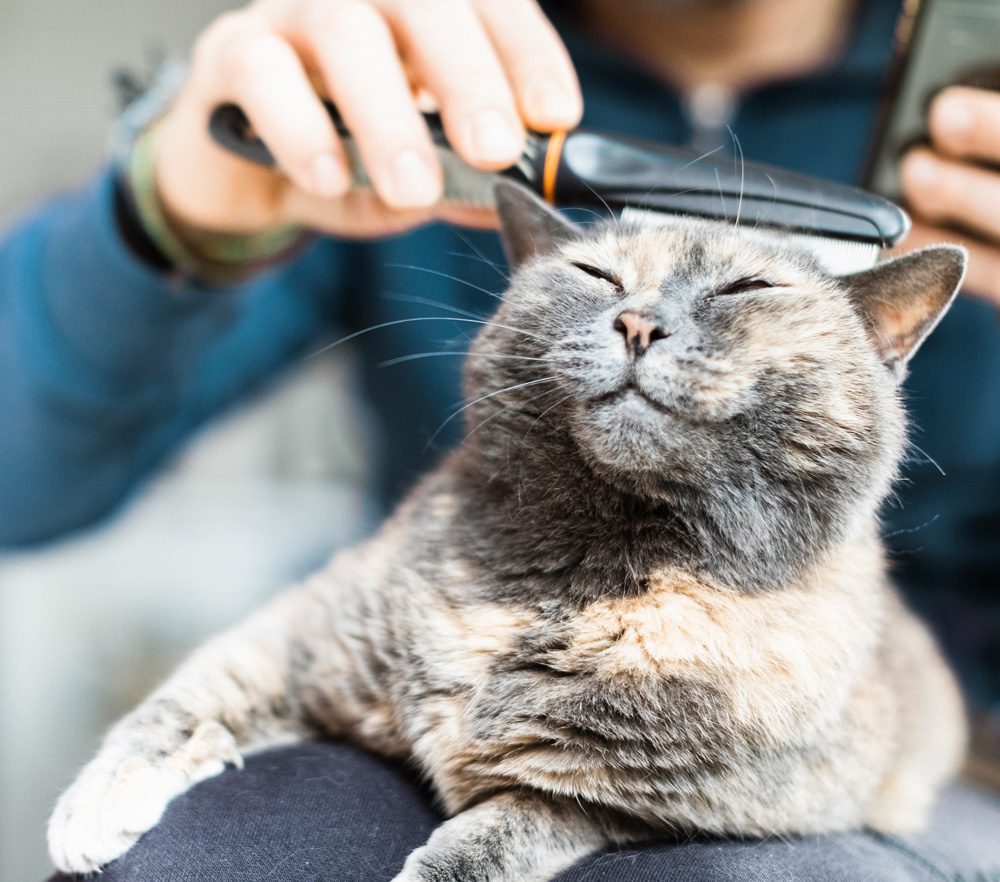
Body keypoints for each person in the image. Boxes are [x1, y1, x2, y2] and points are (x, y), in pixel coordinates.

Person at [0, 0, 993, 878]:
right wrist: (175, 208)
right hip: (438, 623)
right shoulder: (412, 75)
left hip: (908, 711)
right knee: (216, 859)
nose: (643, 326)